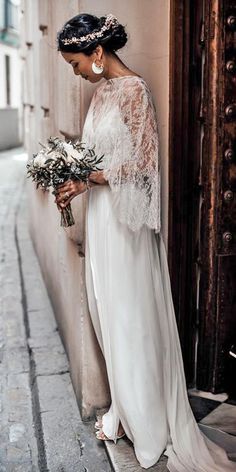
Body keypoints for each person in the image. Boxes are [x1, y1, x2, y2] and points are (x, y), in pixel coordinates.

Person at [55, 13, 236, 471]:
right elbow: (101, 160)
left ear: (96, 53)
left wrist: (87, 178)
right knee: (107, 312)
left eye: (76, 62)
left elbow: (141, 166)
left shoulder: (135, 91)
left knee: (130, 314)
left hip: (126, 226)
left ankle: (150, 422)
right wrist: (78, 181)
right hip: (102, 219)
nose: (74, 71)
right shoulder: (101, 94)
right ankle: (126, 408)